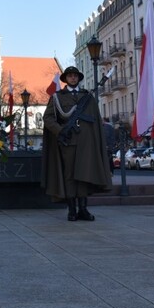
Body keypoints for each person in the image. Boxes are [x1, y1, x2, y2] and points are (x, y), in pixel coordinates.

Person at [42, 66, 112, 221]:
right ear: (65, 79)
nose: (73, 78)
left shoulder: (87, 97)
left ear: (79, 78)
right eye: (70, 76)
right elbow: (48, 118)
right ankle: (72, 210)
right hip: (68, 142)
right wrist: (60, 131)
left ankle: (83, 209)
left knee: (84, 174)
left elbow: (95, 120)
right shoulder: (57, 97)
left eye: (75, 76)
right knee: (70, 176)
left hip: (86, 143)